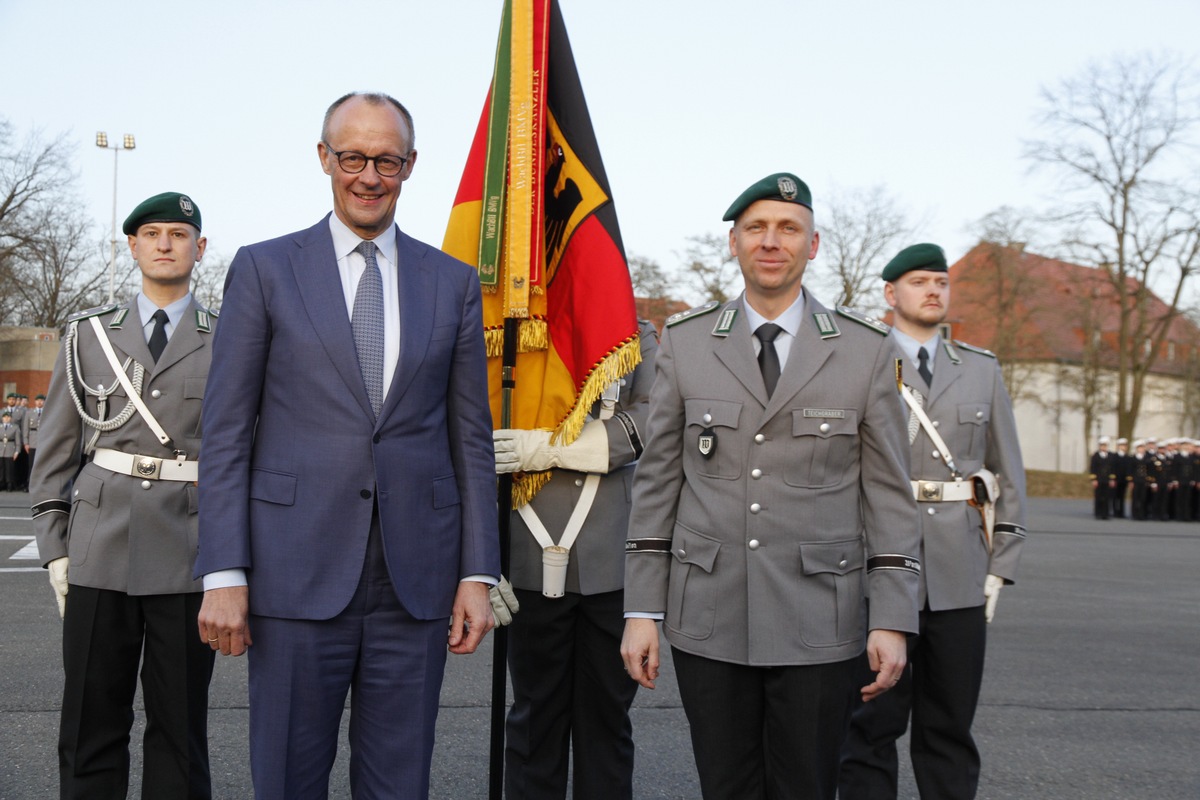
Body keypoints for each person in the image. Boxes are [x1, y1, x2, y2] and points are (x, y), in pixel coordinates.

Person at [194, 92, 500, 799]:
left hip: (414, 584)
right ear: (325, 159)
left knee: (399, 785)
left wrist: (477, 573)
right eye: (354, 157)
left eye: (386, 160)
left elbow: (470, 439)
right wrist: (223, 573)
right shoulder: (266, 269)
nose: (369, 176)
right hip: (292, 575)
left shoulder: (450, 282)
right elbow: (228, 434)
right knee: (287, 781)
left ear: (410, 165)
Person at [621, 173, 922, 800]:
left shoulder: (866, 351)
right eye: (755, 228)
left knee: (806, 786)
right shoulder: (687, 341)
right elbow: (657, 484)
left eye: (789, 229)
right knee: (724, 786)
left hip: (820, 615)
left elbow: (889, 493)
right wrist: (642, 610)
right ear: (734, 242)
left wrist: (891, 616)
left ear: (813, 246)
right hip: (710, 612)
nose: (771, 241)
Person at [30, 191, 216, 798]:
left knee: (179, 726)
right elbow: (59, 445)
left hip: (191, 553)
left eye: (179, 234)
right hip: (99, 546)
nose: (165, 244)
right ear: (132, 246)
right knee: (90, 720)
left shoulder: (232, 335)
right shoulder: (87, 335)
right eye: (152, 233)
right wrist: (55, 547)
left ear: (200, 248)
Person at [839, 242, 1028, 800]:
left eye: (941, 283)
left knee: (949, 727)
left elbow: (1009, 471)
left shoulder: (980, 369)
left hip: (958, 572)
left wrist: (1002, 565)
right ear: (891, 293)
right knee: (869, 726)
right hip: (876, 568)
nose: (933, 291)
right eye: (920, 281)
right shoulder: (861, 361)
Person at [495, 319, 657, 800]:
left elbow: (656, 420)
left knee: (606, 723)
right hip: (524, 549)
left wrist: (546, 448)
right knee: (533, 722)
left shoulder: (633, 332)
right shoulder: (505, 328)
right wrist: (480, 558)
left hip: (611, 559)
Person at [23, 393, 45, 486]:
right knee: (31, 464)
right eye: (38, 400)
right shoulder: (29, 413)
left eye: (41, 400)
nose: (39, 402)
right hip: (32, 441)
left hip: (43, 441)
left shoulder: (47, 411)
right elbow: (25, 428)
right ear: (35, 402)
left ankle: (40, 484)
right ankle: (30, 483)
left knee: (42, 463)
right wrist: (26, 442)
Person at [1089, 436, 1114, 520]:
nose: (1103, 447)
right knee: (1098, 496)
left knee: (1107, 497)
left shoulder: (1110, 456)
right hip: (1099, 479)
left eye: (1105, 445)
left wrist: (1112, 479)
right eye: (1102, 445)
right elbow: (1092, 468)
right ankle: (1098, 513)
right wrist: (1093, 479)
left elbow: (1112, 469)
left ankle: (1105, 513)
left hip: (1107, 479)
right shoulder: (1095, 456)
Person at [0, 410, 22, 490]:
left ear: (10, 418)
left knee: (9, 468)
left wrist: (17, 451)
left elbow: (18, 440)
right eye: (5, 417)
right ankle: (1, 483)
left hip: (10, 448)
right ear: (2, 418)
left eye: (8, 417)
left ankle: (9, 483)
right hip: (1, 448)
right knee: (1, 467)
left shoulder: (15, 427)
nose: (6, 418)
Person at [1111, 437, 1130, 518]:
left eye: (1125, 445)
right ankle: (1115, 511)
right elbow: (1112, 468)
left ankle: (1121, 512)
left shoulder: (1127, 457)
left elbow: (1128, 469)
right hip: (1116, 479)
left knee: (1122, 496)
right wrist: (1112, 478)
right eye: (1122, 445)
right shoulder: (1114, 457)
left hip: (1124, 480)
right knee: (1115, 496)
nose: (1123, 447)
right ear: (1118, 446)